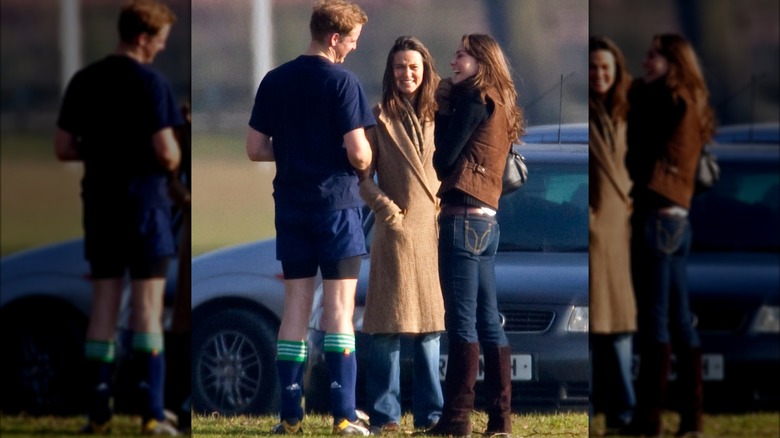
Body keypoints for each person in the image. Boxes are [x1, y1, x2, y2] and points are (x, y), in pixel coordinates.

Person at [54, 0, 184, 435]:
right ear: (144, 38)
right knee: (147, 310)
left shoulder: (84, 80)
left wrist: (105, 149)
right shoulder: (151, 84)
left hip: (101, 206)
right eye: (161, 41)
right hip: (146, 208)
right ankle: (150, 411)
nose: (162, 50)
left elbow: (64, 147)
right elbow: (166, 152)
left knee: (104, 306)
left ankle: (97, 411)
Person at [245, 0, 374, 435]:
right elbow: (358, 152)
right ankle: (342, 414)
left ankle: (290, 416)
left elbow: (255, 148)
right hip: (337, 207)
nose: (353, 49)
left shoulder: (274, 80)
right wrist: (365, 159)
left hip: (291, 207)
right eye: (352, 41)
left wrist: (295, 153)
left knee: (295, 308)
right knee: (338, 309)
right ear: (334, 38)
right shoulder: (343, 82)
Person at [423, 33, 524, 437]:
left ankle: (456, 419)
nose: (453, 60)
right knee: (488, 321)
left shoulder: (472, 99)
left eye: (461, 54)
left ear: (482, 60)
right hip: (487, 221)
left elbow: (445, 160)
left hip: (462, 218)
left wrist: (443, 111)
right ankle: (500, 419)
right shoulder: (501, 101)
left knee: (462, 322)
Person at [624, 33, 716, 438]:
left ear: (671, 62)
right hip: (679, 219)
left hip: (658, 217)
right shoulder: (691, 100)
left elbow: (641, 153)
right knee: (680, 320)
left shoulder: (667, 100)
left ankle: (650, 419)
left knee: (656, 323)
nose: (645, 62)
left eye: (653, 57)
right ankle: (692, 419)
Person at [358, 35, 445, 435]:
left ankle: (431, 415)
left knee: (429, 328)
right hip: (394, 233)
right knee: (386, 327)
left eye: (413, 66)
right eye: (399, 67)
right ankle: (385, 416)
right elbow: (362, 178)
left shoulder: (440, 115)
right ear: (390, 73)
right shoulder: (377, 117)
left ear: (425, 70)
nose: (406, 73)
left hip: (430, 232)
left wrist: (440, 206)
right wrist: (388, 212)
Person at [588, 35, 638, 435]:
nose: (600, 74)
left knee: (619, 326)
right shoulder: (589, 115)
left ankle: (624, 408)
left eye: (606, 67)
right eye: (593, 67)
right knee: (595, 326)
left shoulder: (628, 112)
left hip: (621, 233)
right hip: (593, 234)